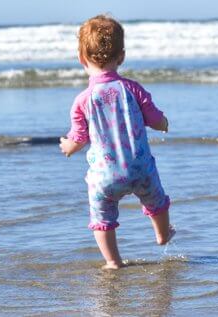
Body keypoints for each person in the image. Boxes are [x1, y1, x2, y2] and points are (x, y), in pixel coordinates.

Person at [59, 15, 175, 269]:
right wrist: (164, 123)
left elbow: (78, 138)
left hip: (104, 177)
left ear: (81, 59)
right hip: (140, 169)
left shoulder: (83, 100)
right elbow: (155, 119)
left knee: (102, 218)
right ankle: (162, 235)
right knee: (157, 202)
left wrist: (68, 146)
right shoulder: (132, 90)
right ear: (121, 57)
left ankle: (113, 261)